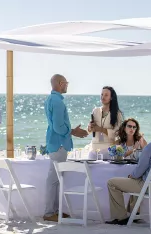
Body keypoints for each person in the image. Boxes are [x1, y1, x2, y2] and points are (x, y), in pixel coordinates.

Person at [105, 115, 151, 225]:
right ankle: (134, 214)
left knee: (112, 183)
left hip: (150, 188)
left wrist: (132, 175)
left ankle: (120, 217)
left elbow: (139, 170)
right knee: (136, 180)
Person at [43, 74, 89, 222]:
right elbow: (58, 126)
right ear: (60, 83)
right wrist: (73, 131)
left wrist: (71, 131)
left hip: (55, 142)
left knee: (55, 179)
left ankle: (54, 211)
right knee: (53, 179)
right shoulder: (57, 101)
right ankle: (50, 213)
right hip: (58, 144)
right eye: (66, 83)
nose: (67, 85)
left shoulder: (51, 99)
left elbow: (56, 125)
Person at [87, 86, 124, 157]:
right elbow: (89, 130)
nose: (103, 97)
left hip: (108, 149)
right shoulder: (95, 110)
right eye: (102, 94)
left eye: (106, 95)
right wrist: (90, 127)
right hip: (94, 147)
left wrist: (100, 129)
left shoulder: (117, 114)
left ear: (111, 97)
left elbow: (116, 133)